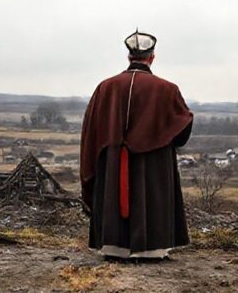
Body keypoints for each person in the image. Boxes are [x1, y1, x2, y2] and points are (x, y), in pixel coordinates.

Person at [80, 30, 193, 259]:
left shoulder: (105, 87)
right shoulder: (167, 89)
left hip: (112, 162)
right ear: (152, 57)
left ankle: (113, 247)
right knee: (152, 193)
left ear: (129, 57)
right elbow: (182, 130)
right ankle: (152, 250)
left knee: (113, 191)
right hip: (154, 164)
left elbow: (90, 132)